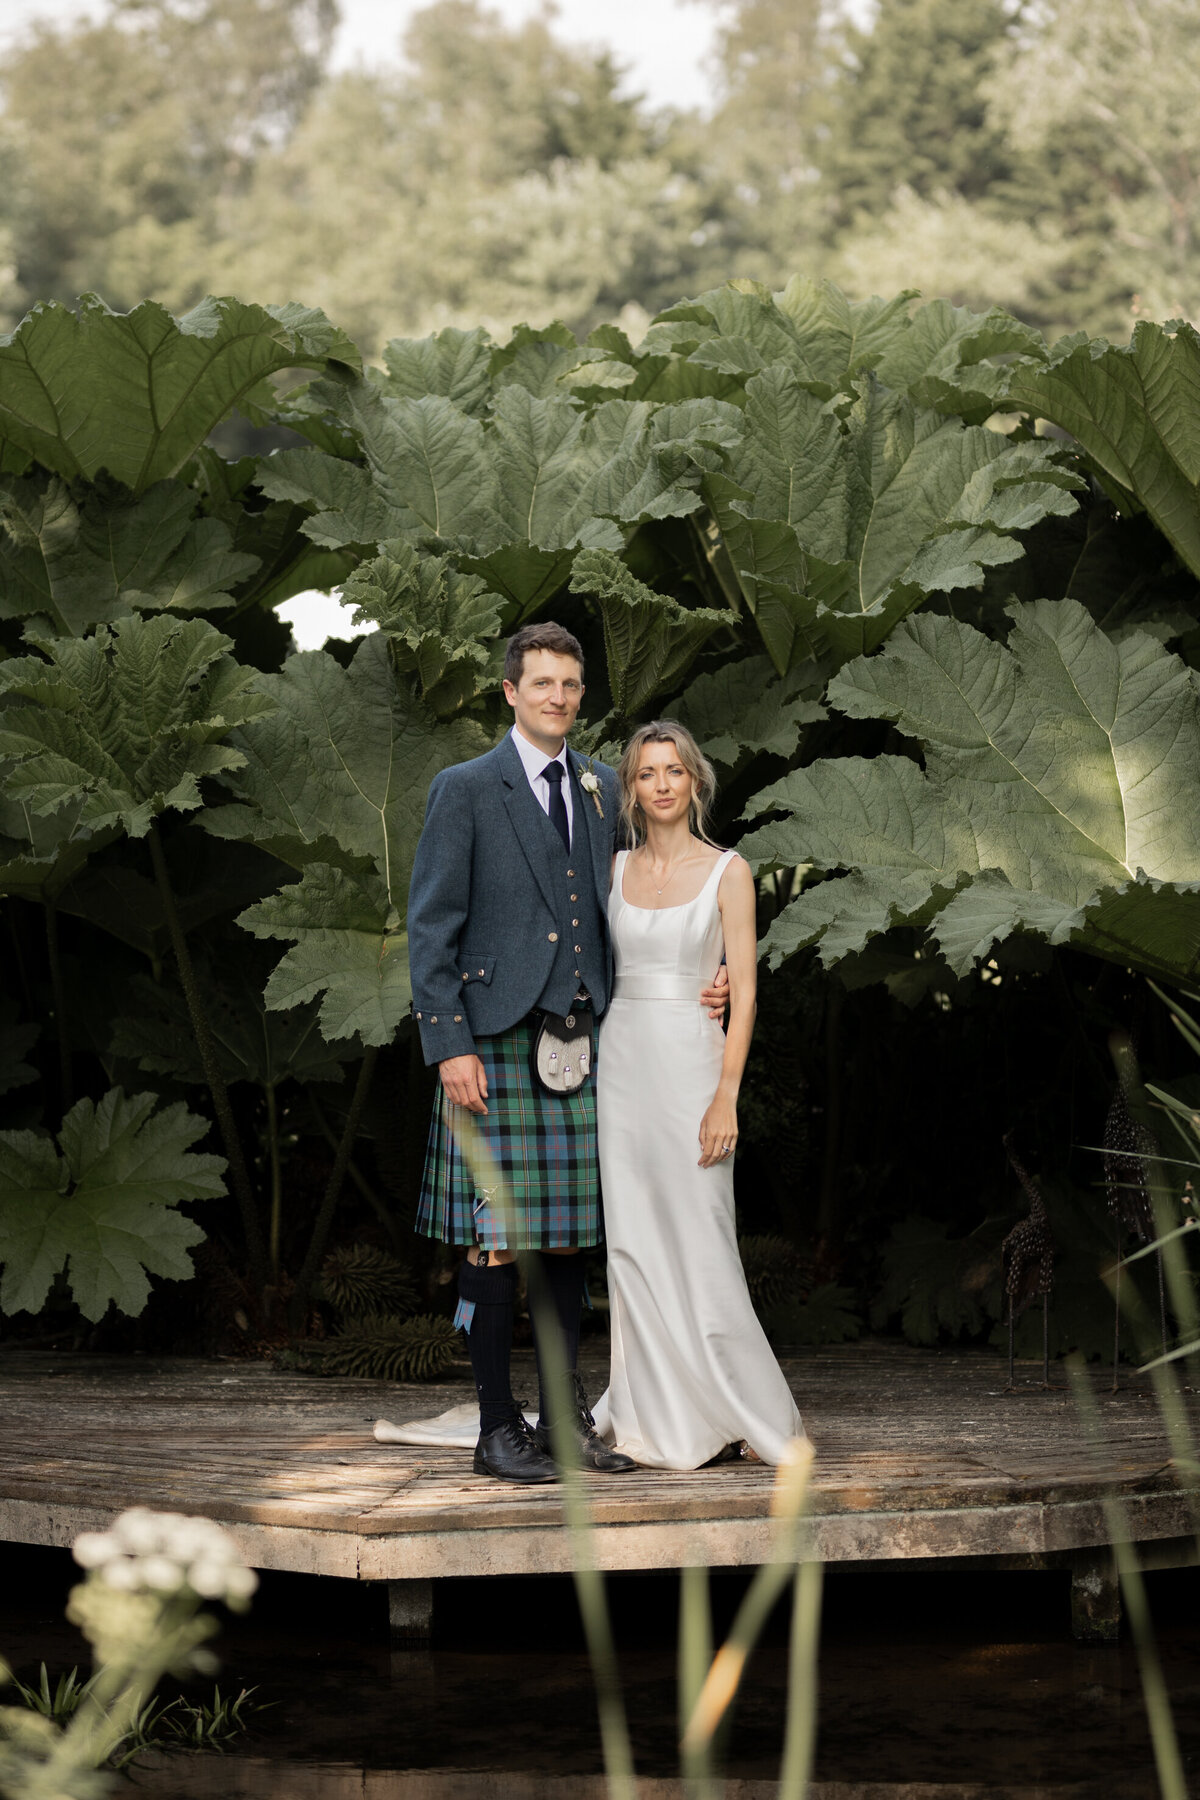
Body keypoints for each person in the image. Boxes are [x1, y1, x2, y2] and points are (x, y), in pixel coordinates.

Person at [403, 621, 637, 1484]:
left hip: (584, 1042)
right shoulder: (465, 788)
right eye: (542, 683)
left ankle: (562, 1427)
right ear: (510, 691)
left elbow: (630, 907)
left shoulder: (603, 787)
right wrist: (447, 1043)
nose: (559, 698)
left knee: (569, 1244)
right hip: (493, 1045)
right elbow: (430, 924)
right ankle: (497, 1430)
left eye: (571, 685)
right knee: (499, 1241)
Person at [590, 721, 804, 1469]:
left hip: (692, 1063)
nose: (662, 784)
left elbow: (743, 996)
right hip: (620, 1066)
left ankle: (737, 1408)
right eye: (647, 773)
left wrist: (726, 1098)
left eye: (675, 771)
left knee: (703, 1235)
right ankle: (651, 1410)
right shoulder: (610, 868)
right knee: (632, 1243)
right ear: (631, 789)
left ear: (697, 782)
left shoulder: (730, 872)